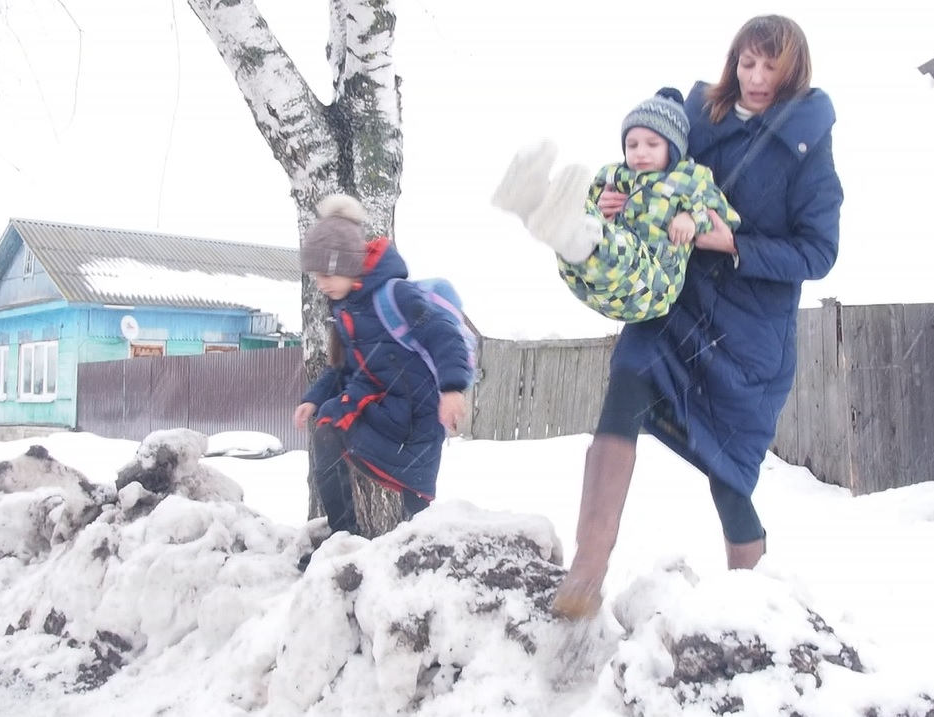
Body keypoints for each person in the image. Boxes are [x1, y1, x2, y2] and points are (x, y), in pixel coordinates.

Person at [551, 14, 844, 619]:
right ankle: (588, 567)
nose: (756, 78)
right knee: (624, 391)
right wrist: (618, 195)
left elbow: (818, 252)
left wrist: (731, 244)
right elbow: (649, 151)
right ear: (732, 62)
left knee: (728, 464)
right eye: (747, 63)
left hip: (747, 327)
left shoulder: (807, 145)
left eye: (770, 66)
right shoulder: (700, 115)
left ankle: (754, 600)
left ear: (793, 71)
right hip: (670, 296)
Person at [292, 194, 472, 536]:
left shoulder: (396, 295)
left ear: (347, 264)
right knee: (328, 425)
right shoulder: (344, 310)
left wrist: (452, 389)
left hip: (418, 418)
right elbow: (346, 369)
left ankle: (418, 559)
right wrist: (313, 398)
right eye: (316, 275)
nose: (321, 283)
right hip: (384, 409)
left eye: (327, 272)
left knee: (417, 512)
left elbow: (445, 335)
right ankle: (343, 537)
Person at [492, 88, 741, 323]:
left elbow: (722, 213)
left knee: (618, 246)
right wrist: (598, 205)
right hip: (590, 279)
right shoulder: (614, 175)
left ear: (674, 147)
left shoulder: (691, 178)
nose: (640, 153)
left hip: (652, 284)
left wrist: (692, 219)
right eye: (632, 145)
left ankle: (566, 226)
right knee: (588, 223)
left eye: (652, 144)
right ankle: (532, 200)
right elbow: (587, 199)